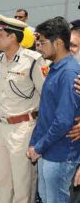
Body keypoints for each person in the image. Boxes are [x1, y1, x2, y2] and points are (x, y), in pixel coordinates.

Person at [0, 14, 46, 203]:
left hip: (23, 128)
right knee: (1, 180)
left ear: (12, 37)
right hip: (1, 126)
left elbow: (46, 96)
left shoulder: (33, 60)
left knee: (22, 182)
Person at [28, 17, 80, 203]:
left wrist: (39, 147)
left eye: (42, 42)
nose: (39, 47)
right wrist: (35, 144)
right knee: (46, 197)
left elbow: (63, 120)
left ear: (58, 43)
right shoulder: (57, 68)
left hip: (60, 153)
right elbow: (46, 113)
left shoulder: (68, 73)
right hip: (48, 150)